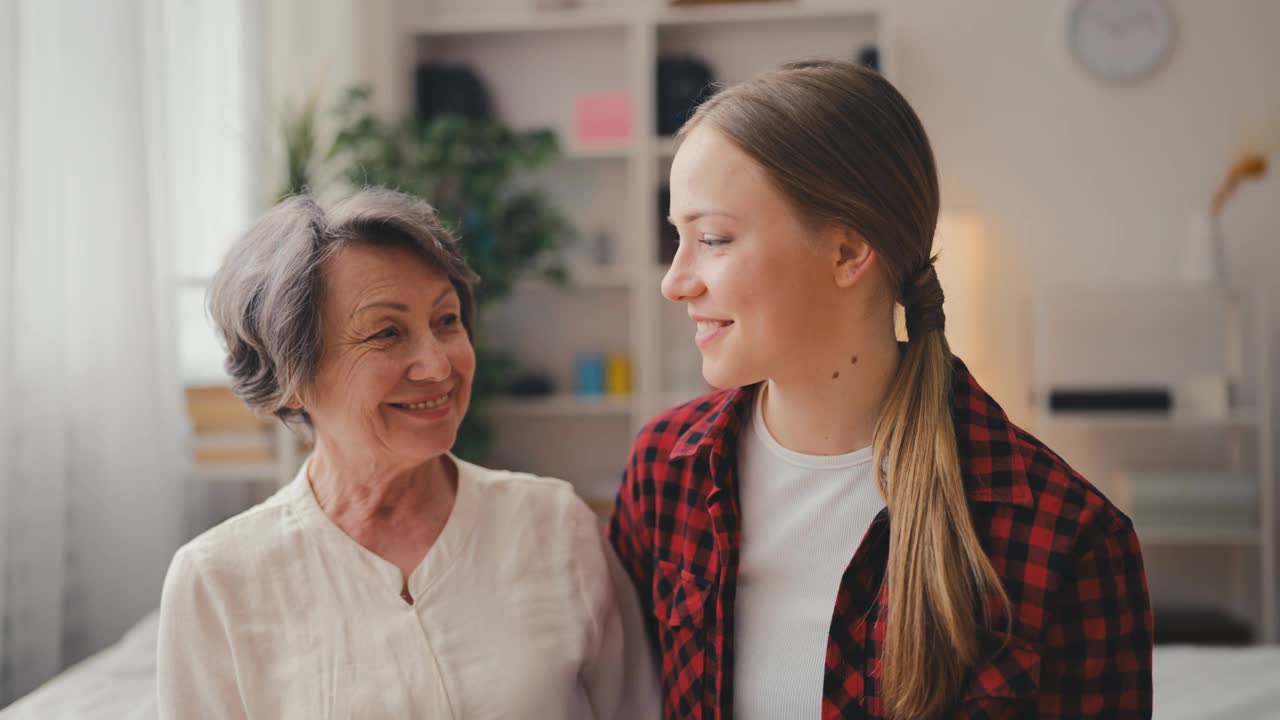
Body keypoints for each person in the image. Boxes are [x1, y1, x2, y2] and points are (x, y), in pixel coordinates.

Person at [608, 60, 1153, 719]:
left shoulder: (1066, 537)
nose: (675, 281)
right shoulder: (665, 475)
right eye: (678, 239)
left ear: (846, 253)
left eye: (713, 239)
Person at [157, 189, 659, 719]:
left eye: (446, 321)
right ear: (291, 378)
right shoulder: (217, 581)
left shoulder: (555, 526)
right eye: (387, 333)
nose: (438, 366)